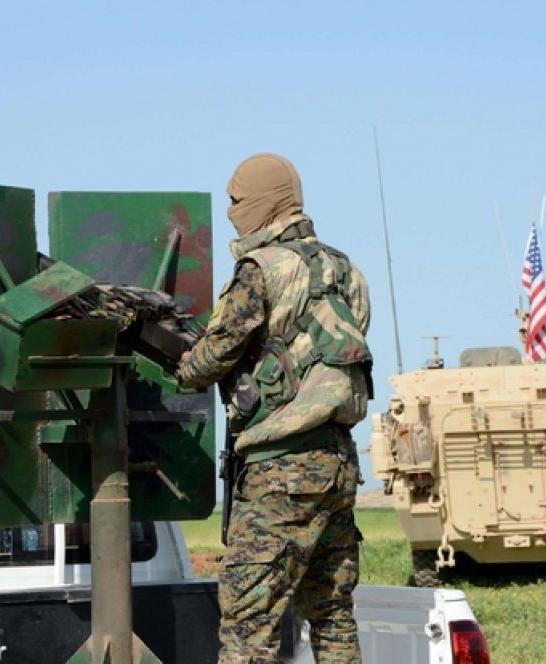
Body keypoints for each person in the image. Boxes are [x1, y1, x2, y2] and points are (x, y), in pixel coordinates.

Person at [177, 153, 372, 664]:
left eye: (238, 201)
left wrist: (181, 366)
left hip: (279, 471)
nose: (231, 213)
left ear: (265, 202)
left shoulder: (259, 269)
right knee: (332, 615)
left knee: (248, 624)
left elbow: (216, 352)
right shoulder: (346, 269)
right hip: (339, 464)